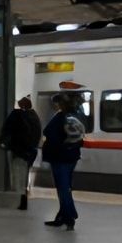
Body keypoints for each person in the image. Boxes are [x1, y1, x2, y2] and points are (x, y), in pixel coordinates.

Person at [42, 94, 85, 229]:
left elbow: (51, 135)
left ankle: (69, 216)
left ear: (62, 103)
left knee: (63, 189)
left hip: (60, 158)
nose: (55, 105)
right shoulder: (76, 116)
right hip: (71, 156)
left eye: (57, 103)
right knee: (65, 187)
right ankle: (62, 216)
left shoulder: (61, 117)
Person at [0, 97, 43, 211]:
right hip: (31, 152)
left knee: (18, 177)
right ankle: (23, 200)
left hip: (19, 151)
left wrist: (3, 143)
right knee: (24, 176)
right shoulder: (34, 116)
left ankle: (20, 201)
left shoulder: (17, 115)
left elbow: (7, 129)